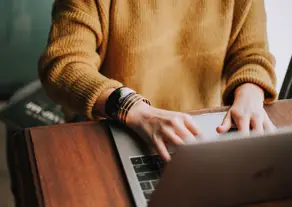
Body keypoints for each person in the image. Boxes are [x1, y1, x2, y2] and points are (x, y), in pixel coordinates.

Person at [38, 0, 278, 161]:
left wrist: (250, 93)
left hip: (203, 132)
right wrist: (132, 108)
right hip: (117, 127)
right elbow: (64, 64)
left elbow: (252, 54)